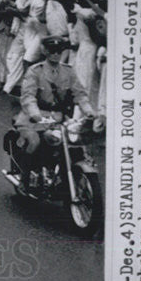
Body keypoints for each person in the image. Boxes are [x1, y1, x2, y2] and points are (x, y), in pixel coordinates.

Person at [13, 35, 98, 181]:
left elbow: (80, 94)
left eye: (59, 50)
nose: (56, 54)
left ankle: (62, 175)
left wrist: (89, 111)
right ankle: (24, 179)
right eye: (52, 50)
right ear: (44, 51)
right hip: (33, 120)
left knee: (74, 145)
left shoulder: (69, 71)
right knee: (35, 142)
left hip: (58, 119)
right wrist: (36, 114)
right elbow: (28, 97)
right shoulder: (35, 71)